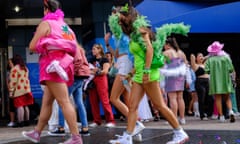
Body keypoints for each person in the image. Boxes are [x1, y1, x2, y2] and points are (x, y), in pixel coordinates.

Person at [109, 3, 189, 144]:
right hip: (139, 74)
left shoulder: (140, 30)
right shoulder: (133, 33)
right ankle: (127, 137)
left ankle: (179, 132)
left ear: (129, 16)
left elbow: (150, 50)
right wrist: (131, 73)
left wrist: (146, 70)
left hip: (148, 74)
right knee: (133, 107)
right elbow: (139, 57)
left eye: (121, 17)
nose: (119, 20)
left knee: (160, 106)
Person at [21, 0, 83, 143]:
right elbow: (74, 48)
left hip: (52, 65)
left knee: (64, 101)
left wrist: (43, 45)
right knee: (47, 102)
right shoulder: (66, 26)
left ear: (46, 9)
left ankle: (76, 138)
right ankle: (37, 133)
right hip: (64, 64)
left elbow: (32, 46)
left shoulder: (46, 24)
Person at [48, 44, 91, 136]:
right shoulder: (80, 49)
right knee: (79, 103)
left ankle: (61, 128)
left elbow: (77, 62)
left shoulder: (73, 47)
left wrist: (69, 74)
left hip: (75, 77)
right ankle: (85, 128)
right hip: (80, 77)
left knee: (62, 102)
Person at [204, 41, 235, 123]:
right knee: (227, 98)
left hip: (215, 81)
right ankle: (231, 111)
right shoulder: (226, 58)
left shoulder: (210, 60)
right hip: (225, 80)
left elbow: (206, 71)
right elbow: (231, 69)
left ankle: (221, 116)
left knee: (218, 98)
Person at [161, 36, 189, 125]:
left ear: (168, 45)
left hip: (170, 75)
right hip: (180, 76)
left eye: (164, 45)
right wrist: (187, 79)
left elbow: (161, 66)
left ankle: (174, 118)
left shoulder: (166, 53)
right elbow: (186, 65)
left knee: (172, 98)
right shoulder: (181, 52)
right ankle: (182, 118)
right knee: (180, 98)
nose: (163, 46)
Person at [88, 44, 116, 128]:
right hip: (92, 80)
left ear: (99, 50)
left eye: (94, 49)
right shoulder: (90, 59)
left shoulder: (104, 59)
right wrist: (95, 71)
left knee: (104, 100)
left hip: (101, 80)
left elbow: (105, 71)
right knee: (93, 101)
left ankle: (111, 120)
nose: (92, 51)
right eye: (92, 49)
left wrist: (96, 71)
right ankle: (97, 121)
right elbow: (87, 70)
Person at [8, 55, 34, 127]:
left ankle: (20, 122)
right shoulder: (25, 68)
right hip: (27, 89)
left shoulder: (14, 69)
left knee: (20, 106)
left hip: (19, 90)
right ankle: (27, 121)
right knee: (26, 106)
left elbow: (13, 81)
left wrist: (11, 91)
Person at [190, 52, 214, 120]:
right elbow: (192, 56)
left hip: (207, 81)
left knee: (211, 98)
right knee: (201, 99)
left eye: (202, 56)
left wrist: (205, 57)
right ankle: (202, 115)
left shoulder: (205, 64)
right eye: (199, 56)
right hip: (200, 82)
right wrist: (193, 56)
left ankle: (209, 113)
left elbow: (209, 56)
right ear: (196, 58)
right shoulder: (195, 65)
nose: (201, 57)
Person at [6, 58, 17, 127]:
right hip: (14, 90)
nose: (9, 64)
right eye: (9, 63)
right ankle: (15, 121)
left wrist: (10, 90)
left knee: (13, 106)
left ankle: (13, 121)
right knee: (13, 106)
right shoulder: (10, 71)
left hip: (14, 90)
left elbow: (8, 82)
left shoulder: (13, 71)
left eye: (10, 63)